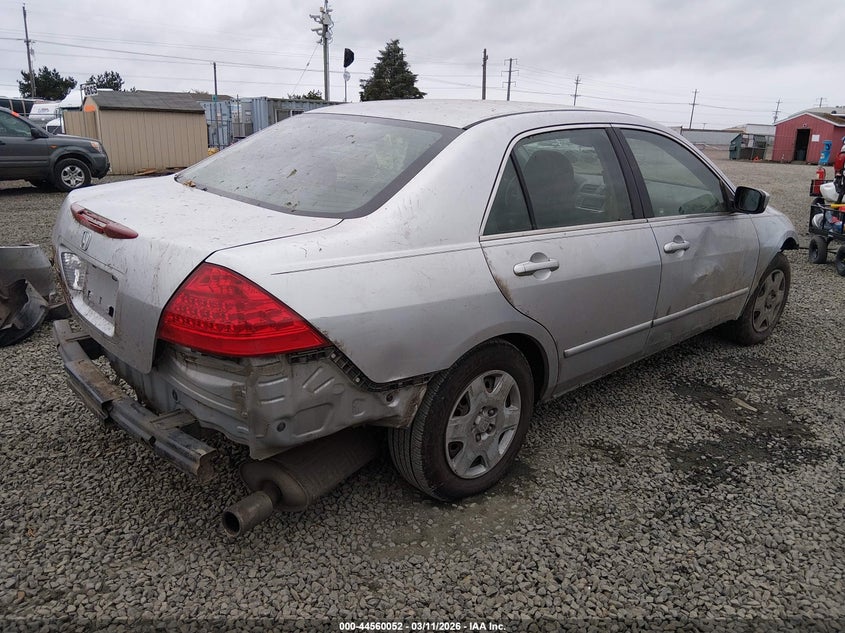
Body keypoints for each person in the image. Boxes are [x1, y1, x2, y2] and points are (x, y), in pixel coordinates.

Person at [834, 138, 845, 203]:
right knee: (843, 190)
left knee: (843, 190)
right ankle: (837, 204)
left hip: (842, 172)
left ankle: (837, 203)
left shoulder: (842, 153)